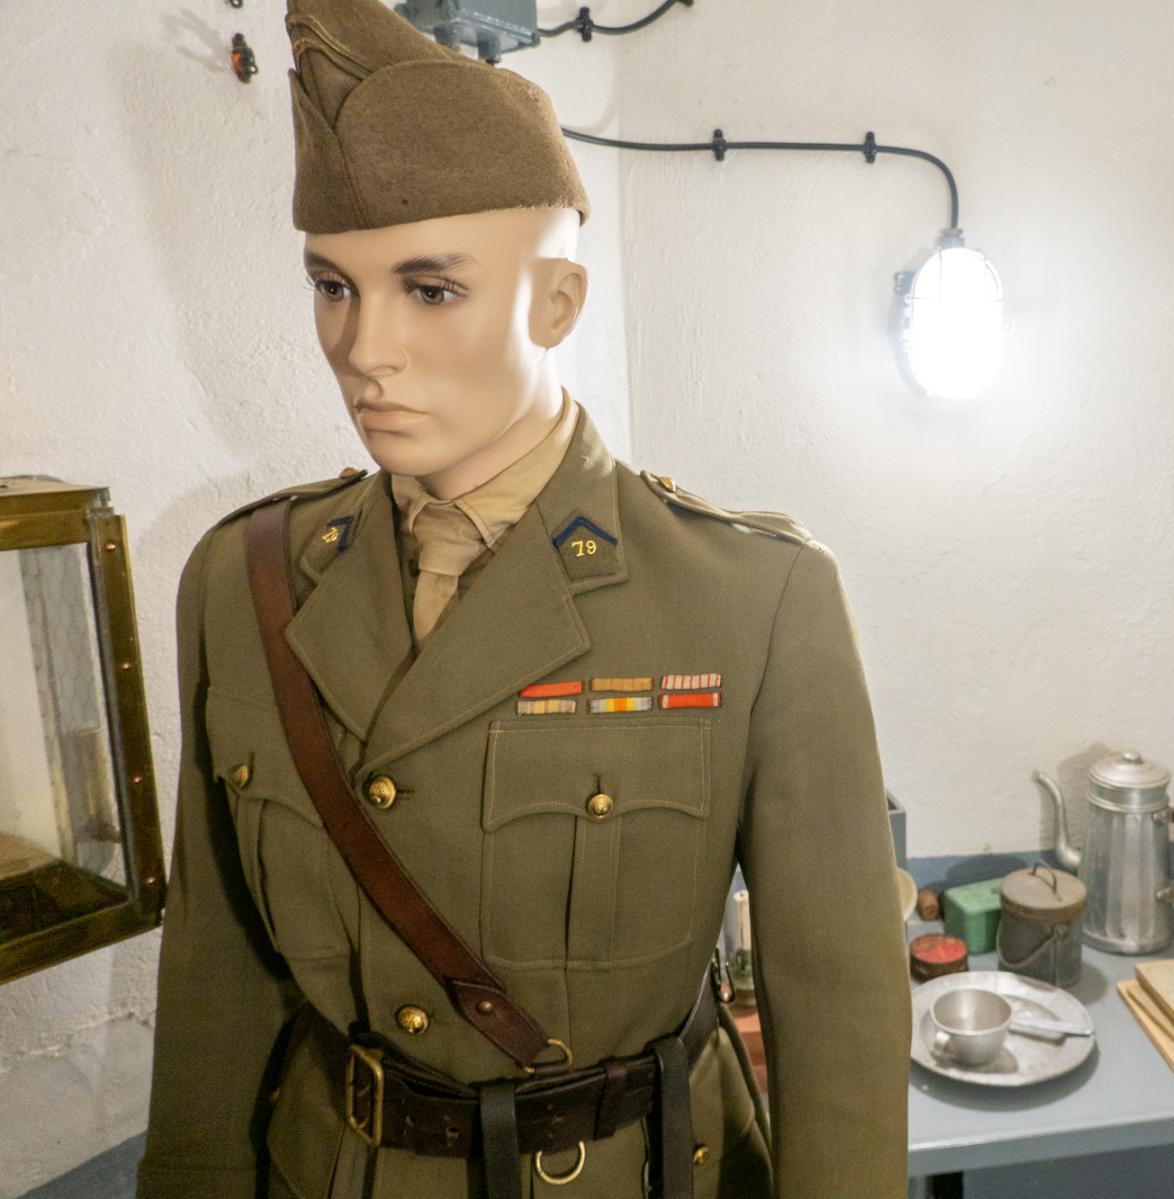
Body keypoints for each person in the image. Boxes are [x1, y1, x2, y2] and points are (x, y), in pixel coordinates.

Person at [135, 2, 911, 1196]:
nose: (363, 347)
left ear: (556, 304)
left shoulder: (753, 599)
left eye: (430, 289)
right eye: (333, 286)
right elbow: (216, 978)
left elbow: (840, 1010)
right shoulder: (245, 582)